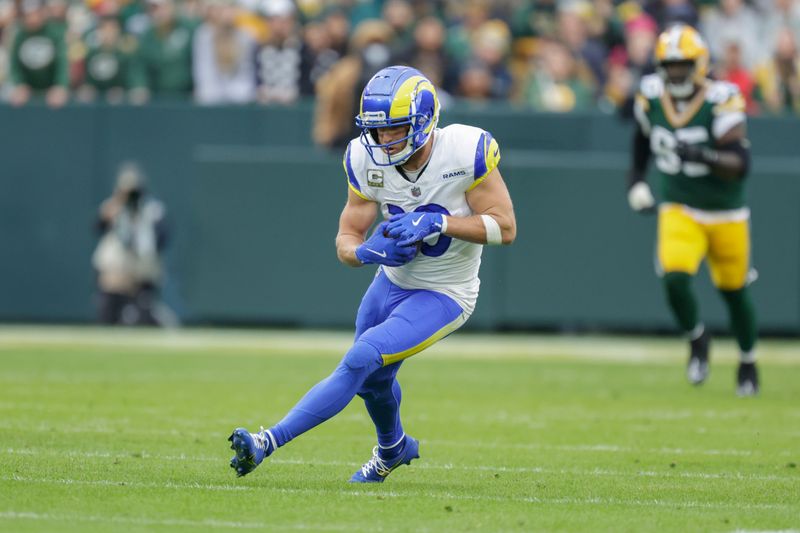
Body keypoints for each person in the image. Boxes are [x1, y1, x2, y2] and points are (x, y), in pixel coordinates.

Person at [229, 66, 517, 482]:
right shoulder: (364, 158)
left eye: (394, 129)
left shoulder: (463, 151)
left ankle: (266, 442)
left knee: (361, 358)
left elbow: (505, 228)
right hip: (389, 284)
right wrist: (364, 252)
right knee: (373, 382)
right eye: (377, 131)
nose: (383, 140)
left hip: (444, 292)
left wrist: (441, 224)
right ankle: (393, 449)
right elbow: (346, 237)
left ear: (422, 121)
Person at [626, 24, 759, 396]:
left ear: (699, 64)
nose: (676, 73)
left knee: (734, 292)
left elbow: (741, 162)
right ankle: (697, 338)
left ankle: (748, 360)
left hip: (726, 211)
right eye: (669, 65)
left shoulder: (723, 96)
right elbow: (641, 139)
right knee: (675, 276)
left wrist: (705, 155)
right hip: (679, 206)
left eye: (683, 65)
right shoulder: (651, 93)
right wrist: (636, 180)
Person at [92, 162, 170, 326]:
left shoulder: (152, 209)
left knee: (142, 315)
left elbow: (160, 239)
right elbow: (97, 228)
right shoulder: (113, 207)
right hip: (117, 270)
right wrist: (111, 213)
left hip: (141, 269)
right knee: (108, 312)